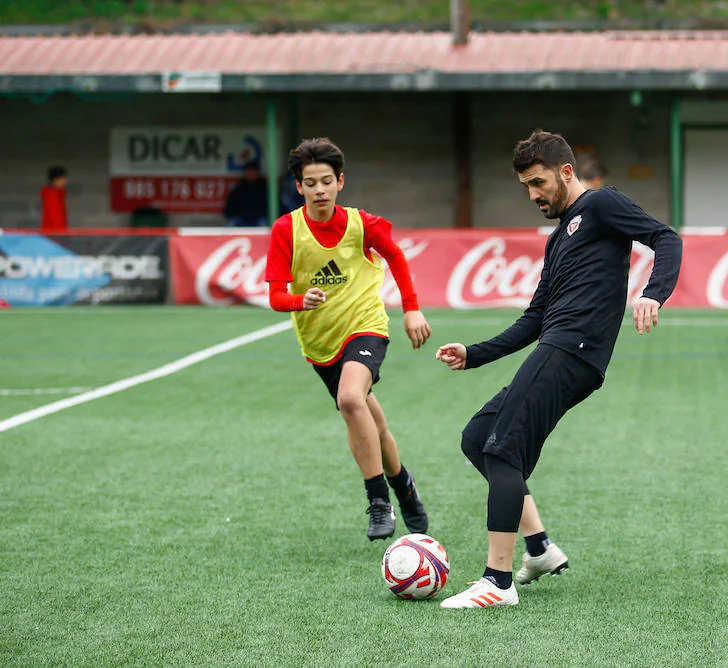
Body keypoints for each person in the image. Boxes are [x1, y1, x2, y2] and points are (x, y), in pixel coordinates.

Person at [435, 130, 682, 609]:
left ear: (566, 172)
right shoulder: (558, 240)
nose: (532, 195)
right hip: (559, 347)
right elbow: (534, 318)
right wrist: (474, 352)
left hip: (574, 351)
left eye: (538, 182)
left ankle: (497, 583)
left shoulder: (603, 204)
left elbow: (664, 238)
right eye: (525, 185)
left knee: (504, 451)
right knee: (478, 437)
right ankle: (539, 549)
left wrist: (653, 293)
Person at [265, 137, 433, 541]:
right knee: (371, 421)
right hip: (320, 343)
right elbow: (274, 297)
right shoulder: (286, 229)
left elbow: (395, 255)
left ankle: (378, 501)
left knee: (350, 399)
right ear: (299, 187)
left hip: (365, 326)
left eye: (326, 181)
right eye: (310, 183)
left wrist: (411, 307)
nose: (319, 189)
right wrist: (298, 300)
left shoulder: (363, 224)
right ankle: (404, 487)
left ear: (340, 182)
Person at [223, 160, 268, 227]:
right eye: (248, 171)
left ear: (257, 173)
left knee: (264, 224)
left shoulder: (265, 189)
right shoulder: (239, 189)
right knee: (231, 224)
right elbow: (228, 209)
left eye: (252, 171)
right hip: (242, 219)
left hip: (258, 220)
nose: (250, 174)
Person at [41, 166, 68, 231]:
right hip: (54, 237)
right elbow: (56, 221)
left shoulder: (58, 196)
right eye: (63, 179)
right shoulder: (52, 197)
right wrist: (62, 237)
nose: (65, 182)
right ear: (55, 180)